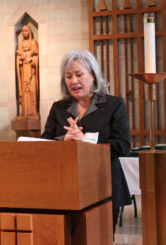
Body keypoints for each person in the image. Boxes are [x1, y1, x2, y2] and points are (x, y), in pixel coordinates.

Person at [41, 49, 131, 235]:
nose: (73, 81)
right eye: (68, 76)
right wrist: (63, 142)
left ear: (93, 76)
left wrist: (86, 142)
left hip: (103, 185)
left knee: (100, 237)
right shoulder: (59, 108)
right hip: (66, 187)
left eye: (79, 74)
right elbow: (44, 144)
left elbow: (123, 145)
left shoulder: (113, 105)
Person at [16, 25, 39, 116]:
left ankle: (33, 111)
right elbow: (19, 57)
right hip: (24, 72)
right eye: (22, 31)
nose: (23, 33)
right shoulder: (21, 44)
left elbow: (36, 56)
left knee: (32, 90)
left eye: (25, 31)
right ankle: (25, 111)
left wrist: (31, 59)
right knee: (25, 91)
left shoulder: (33, 42)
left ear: (29, 32)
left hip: (31, 71)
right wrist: (19, 58)